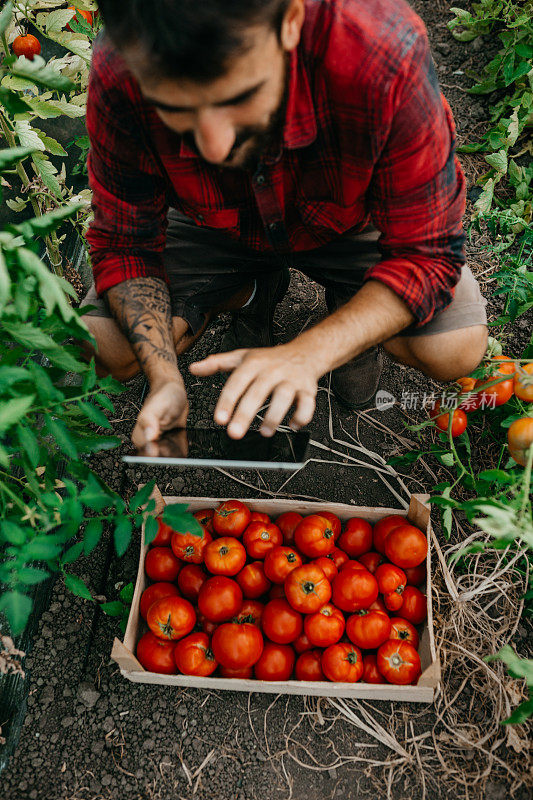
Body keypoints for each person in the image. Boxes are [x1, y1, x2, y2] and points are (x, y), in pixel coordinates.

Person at [81, 0, 488, 447]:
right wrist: (163, 375)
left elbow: (427, 254)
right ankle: (249, 293)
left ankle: (352, 306)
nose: (214, 148)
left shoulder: (378, 53)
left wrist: (312, 351)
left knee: (454, 346)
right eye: (175, 110)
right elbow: (125, 245)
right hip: (211, 223)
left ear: (291, 22)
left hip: (347, 223)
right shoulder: (122, 67)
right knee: (106, 343)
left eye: (238, 97)